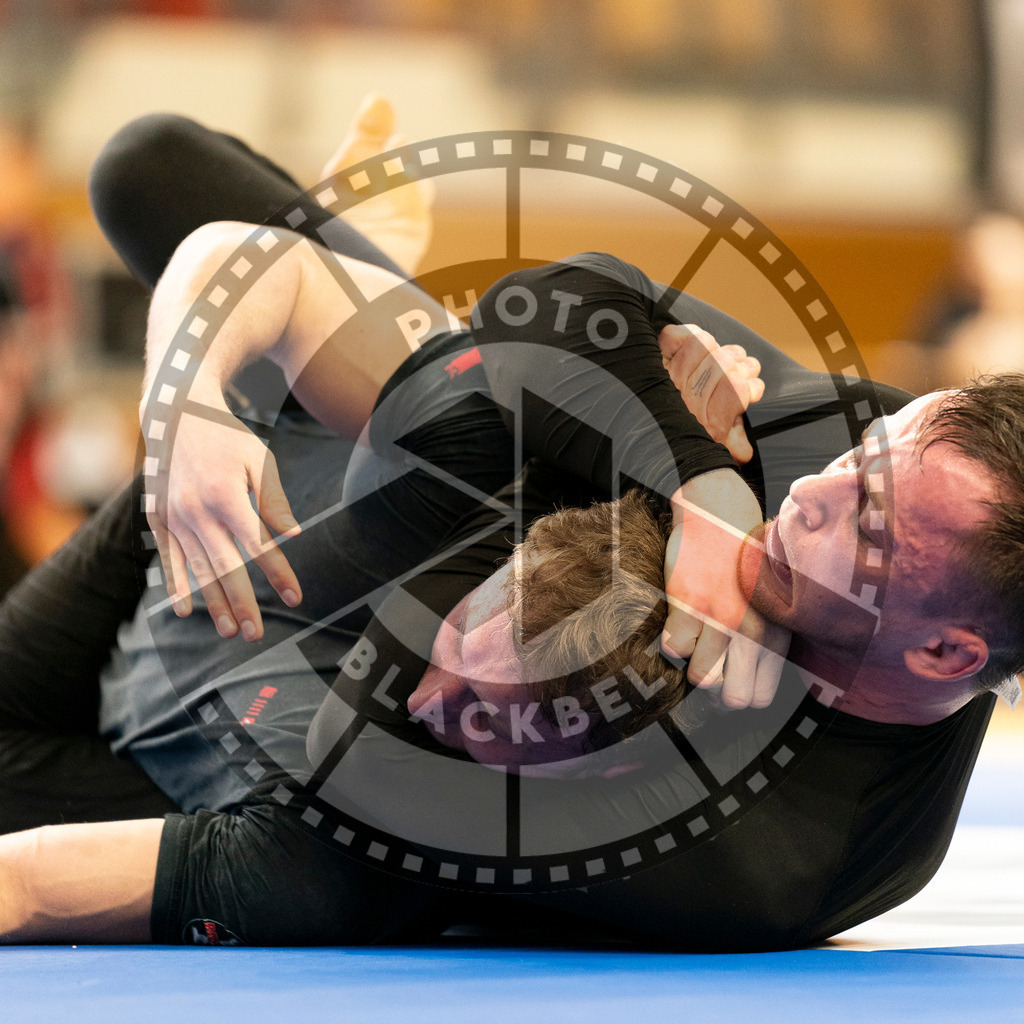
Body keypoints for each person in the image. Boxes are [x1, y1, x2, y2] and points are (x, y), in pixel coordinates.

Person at [0, 103, 1020, 950]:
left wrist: (595, 445)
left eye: (867, 526)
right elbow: (552, 296)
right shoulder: (859, 461)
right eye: (860, 453)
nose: (813, 492)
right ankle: (385, 352)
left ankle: (390, 358)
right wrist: (700, 480)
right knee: (149, 172)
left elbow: (347, 782)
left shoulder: (759, 851)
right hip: (355, 525)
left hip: (347, 666)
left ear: (943, 649)